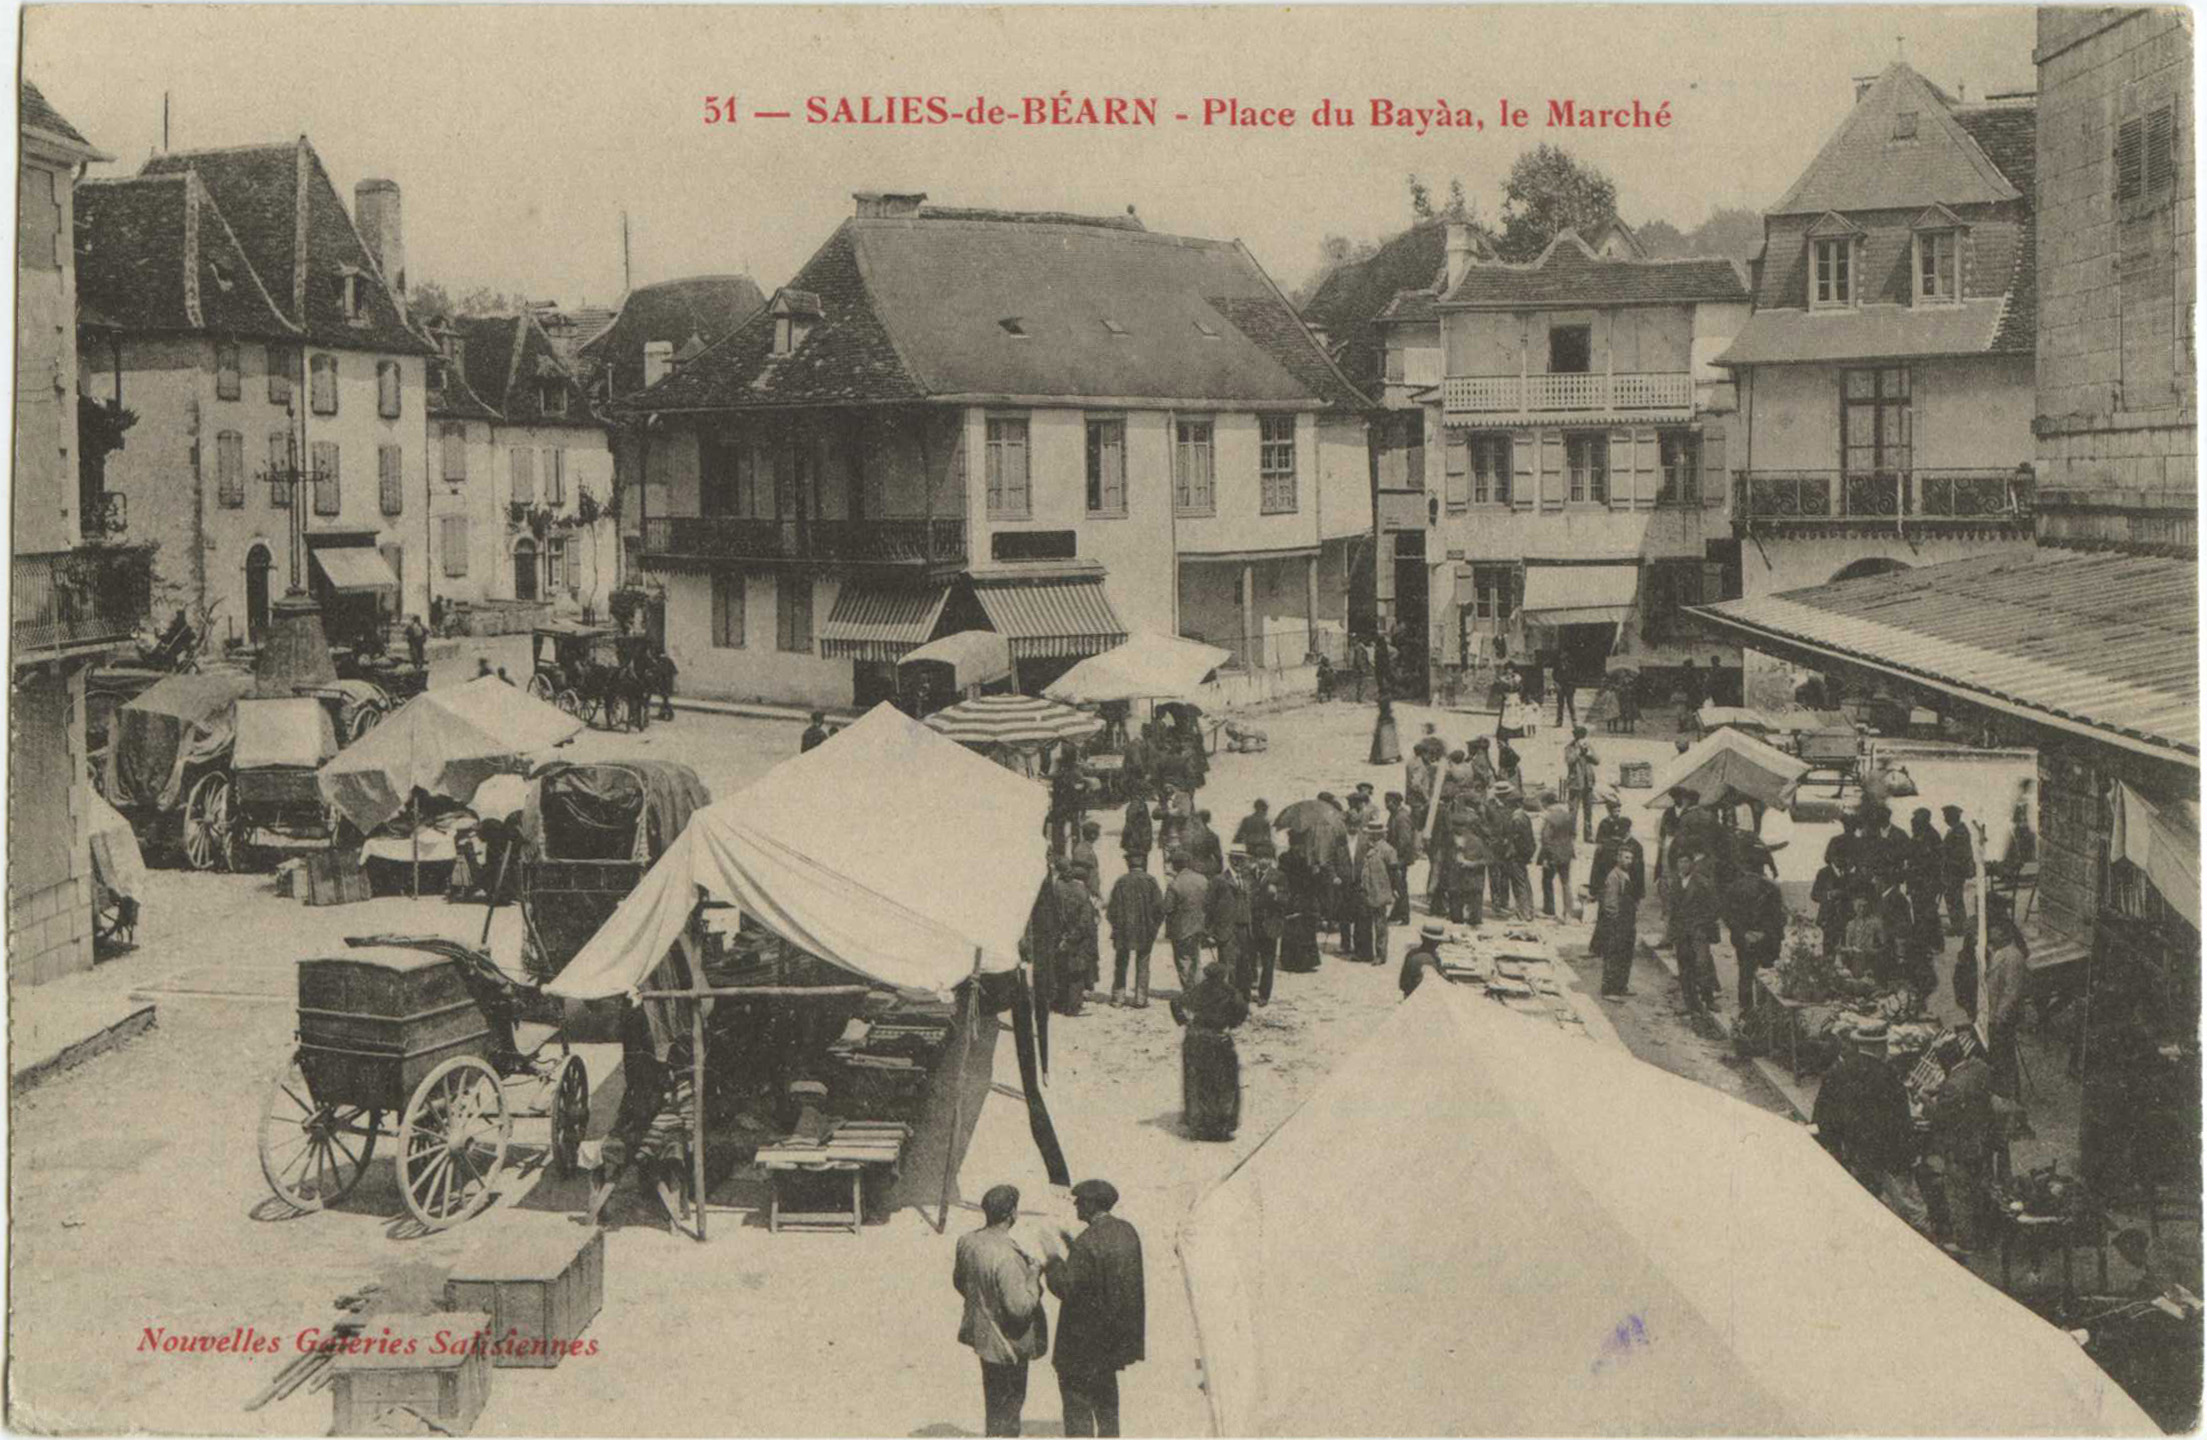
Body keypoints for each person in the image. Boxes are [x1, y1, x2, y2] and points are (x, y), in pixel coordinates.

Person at [1044, 1179, 1145, 1438]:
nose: (1076, 1205)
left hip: (1081, 1344)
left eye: (1079, 1201)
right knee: (1107, 1403)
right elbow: (1104, 1269)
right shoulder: (1127, 1231)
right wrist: (1073, 1245)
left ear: (1091, 1204)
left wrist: (1053, 1258)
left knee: (1077, 1404)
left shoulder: (1088, 1241)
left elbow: (1065, 1288)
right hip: (1113, 1341)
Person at [1812, 1024, 1932, 1236]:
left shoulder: (1838, 1071)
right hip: (1884, 1154)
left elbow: (1823, 1111)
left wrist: (1831, 1144)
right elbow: (1900, 1121)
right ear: (1880, 1047)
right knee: (1910, 1207)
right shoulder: (1888, 1076)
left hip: (1850, 1149)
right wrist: (1907, 1154)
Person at [955, 1183, 1048, 1438]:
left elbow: (960, 1282)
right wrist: (1032, 1276)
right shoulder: (1007, 1257)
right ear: (1012, 1214)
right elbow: (1020, 1308)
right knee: (1010, 1408)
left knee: (993, 1402)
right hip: (1010, 1343)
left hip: (984, 1336)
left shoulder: (967, 1241)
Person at [1926, 1049, 1997, 1253]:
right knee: (1980, 1189)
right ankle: (1985, 1237)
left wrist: (1925, 1101)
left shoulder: (1951, 1086)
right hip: (1983, 1140)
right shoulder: (1978, 1069)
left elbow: (1940, 1118)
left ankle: (1965, 1242)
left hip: (1960, 1147)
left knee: (1959, 1194)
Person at [1173, 958, 1249, 1142]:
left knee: (1197, 1082)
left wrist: (1184, 1020)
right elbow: (1242, 1011)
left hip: (1196, 1039)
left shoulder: (1197, 990)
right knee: (1223, 1083)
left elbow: (1176, 1003)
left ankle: (1198, 1123)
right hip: (1219, 1040)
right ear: (1223, 976)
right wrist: (1231, 1024)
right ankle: (1221, 1125)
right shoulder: (1230, 992)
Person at [1724, 865, 1787, 1015]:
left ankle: (1747, 1015)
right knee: (1769, 977)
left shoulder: (1733, 887)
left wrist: (1745, 933)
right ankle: (1767, 1014)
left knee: (1745, 976)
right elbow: (1778, 917)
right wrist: (1764, 933)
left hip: (1745, 939)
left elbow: (1728, 916)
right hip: (1768, 939)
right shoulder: (1772, 887)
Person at [1105, 860, 1165, 1008]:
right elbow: (1159, 908)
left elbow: (1111, 909)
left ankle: (1118, 998)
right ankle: (1140, 998)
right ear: (1143, 866)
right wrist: (1153, 927)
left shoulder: (1121, 881)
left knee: (1121, 963)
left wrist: (1116, 926)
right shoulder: (1151, 881)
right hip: (1144, 930)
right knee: (1143, 963)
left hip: (1123, 930)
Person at [1983, 914, 2028, 1100]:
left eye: (1993, 929)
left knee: (2005, 1057)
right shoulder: (1999, 952)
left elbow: (2012, 993)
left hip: (2003, 1018)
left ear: (2003, 932)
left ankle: (2011, 1097)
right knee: (1999, 1056)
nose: (1990, 933)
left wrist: (1999, 1017)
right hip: (1994, 1015)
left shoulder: (2013, 957)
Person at [1674, 850, 1723, 1014]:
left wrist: (1701, 924)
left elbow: (1715, 908)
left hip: (1698, 932)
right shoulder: (1675, 882)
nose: (1683, 865)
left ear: (1692, 863)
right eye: (1680, 862)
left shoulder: (1702, 883)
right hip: (1681, 932)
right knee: (1684, 967)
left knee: (1702, 964)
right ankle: (1690, 1004)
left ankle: (1709, 1000)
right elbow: (1672, 909)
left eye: (1686, 862)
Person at [1051, 859, 1099, 1016]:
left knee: (1061, 969)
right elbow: (1085, 919)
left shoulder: (1055, 889)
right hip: (1078, 937)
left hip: (1060, 935)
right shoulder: (1079, 890)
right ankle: (1073, 1006)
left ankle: (1059, 1003)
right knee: (1077, 972)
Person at [1595, 838, 1640, 999]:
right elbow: (1610, 902)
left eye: (1630, 858)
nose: (1628, 861)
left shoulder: (1626, 874)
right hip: (1617, 923)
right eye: (1625, 857)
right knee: (1613, 955)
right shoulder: (1614, 876)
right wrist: (1615, 923)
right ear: (1618, 858)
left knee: (1625, 955)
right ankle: (1609, 990)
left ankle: (1621, 987)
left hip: (1627, 923)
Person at [1207, 848, 1253, 995]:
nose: (1238, 862)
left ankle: (1241, 999)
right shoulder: (1219, 880)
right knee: (1227, 966)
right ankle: (1226, 1000)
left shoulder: (1248, 880)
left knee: (1244, 965)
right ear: (1230, 860)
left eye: (1242, 859)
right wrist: (1209, 931)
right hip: (1226, 930)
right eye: (1235, 859)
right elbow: (1209, 906)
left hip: (1245, 929)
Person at [1163, 849, 1210, 993]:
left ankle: (1190, 992)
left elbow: (1167, 908)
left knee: (1184, 961)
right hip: (1200, 925)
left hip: (1181, 928)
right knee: (1196, 959)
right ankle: (1200, 988)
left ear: (1176, 865)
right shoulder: (1202, 879)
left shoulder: (1175, 884)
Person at [1275, 837, 1323, 975]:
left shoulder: (1309, 857)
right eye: (1296, 844)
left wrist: (1315, 872)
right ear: (1292, 844)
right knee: (1292, 929)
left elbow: (1315, 882)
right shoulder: (1285, 858)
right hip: (1293, 896)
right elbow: (1284, 877)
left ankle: (1307, 961)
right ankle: (1290, 961)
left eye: (1300, 844)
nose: (1299, 847)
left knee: (1306, 930)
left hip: (1306, 896)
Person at [1354, 815, 1398, 964]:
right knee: (1363, 922)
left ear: (1380, 834)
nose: (1371, 836)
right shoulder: (1364, 848)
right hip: (1365, 888)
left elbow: (1393, 872)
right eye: (1370, 833)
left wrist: (1394, 889)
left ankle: (1380, 954)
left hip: (1380, 889)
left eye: (1374, 833)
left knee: (1380, 923)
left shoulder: (1387, 850)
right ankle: (1363, 952)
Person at [1246, 852, 1286, 1004]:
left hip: (1269, 925)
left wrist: (1276, 895)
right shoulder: (1248, 874)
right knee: (1249, 958)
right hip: (1251, 924)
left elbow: (1285, 898)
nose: (1263, 860)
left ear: (1271, 859)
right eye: (1260, 857)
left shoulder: (1279, 876)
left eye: (1266, 857)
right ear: (1256, 859)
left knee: (1268, 962)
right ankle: (1249, 988)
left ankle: (1264, 995)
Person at [1494, 786, 1536, 923]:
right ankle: (1529, 911)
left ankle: (1523, 914)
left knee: (1519, 884)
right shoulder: (1524, 816)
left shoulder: (1516, 818)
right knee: (1525, 882)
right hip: (1524, 854)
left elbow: (1513, 839)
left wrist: (1507, 852)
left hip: (1516, 855)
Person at [1537, 788, 1579, 921]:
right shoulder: (1568, 816)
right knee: (1566, 882)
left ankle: (1549, 910)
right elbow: (1573, 834)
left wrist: (1547, 856)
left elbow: (1546, 839)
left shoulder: (1548, 818)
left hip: (1552, 855)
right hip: (1566, 853)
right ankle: (1568, 912)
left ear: (1545, 803)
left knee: (1547, 881)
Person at [1940, 804, 1975, 936]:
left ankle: (1959, 927)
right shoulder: (1956, 830)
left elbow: (1959, 854)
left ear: (1952, 817)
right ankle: (1958, 926)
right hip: (1953, 870)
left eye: (1946, 816)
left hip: (1955, 870)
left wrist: (1944, 855)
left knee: (1954, 898)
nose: (1944, 819)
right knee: (1953, 898)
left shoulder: (1959, 831)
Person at [1384, 792, 1417, 925]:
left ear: (1396, 802)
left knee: (1400, 886)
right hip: (1396, 857)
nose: (1386, 804)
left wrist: (1396, 858)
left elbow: (1404, 841)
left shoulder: (1401, 817)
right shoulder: (1395, 815)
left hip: (1399, 858)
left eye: (1388, 801)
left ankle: (1404, 917)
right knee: (1397, 885)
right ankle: (1397, 914)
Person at [1562, 727, 1599, 844]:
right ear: (1576, 738)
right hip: (1575, 784)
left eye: (1584, 737)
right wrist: (1578, 751)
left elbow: (1597, 761)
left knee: (1588, 811)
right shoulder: (1569, 748)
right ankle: (1571, 835)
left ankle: (1588, 835)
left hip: (1588, 783)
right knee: (1573, 811)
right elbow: (1569, 761)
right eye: (1580, 738)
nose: (1583, 740)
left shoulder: (1588, 747)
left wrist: (1588, 753)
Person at [1399, 922, 1446, 998]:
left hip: (1408, 996)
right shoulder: (1432, 960)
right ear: (1438, 942)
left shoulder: (1411, 953)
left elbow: (1402, 984)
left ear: (1422, 937)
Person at [1120, 792, 1153, 876]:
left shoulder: (1136, 804)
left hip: (1136, 841)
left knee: (1135, 866)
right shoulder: (1139, 804)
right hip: (1139, 841)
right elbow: (1130, 824)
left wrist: (1124, 841)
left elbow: (1129, 824)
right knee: (1139, 865)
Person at [1187, 808, 1225, 879]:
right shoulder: (1213, 836)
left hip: (1193, 867)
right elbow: (1219, 857)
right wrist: (1219, 870)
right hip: (1207, 867)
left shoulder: (1192, 835)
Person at [1071, 821, 1104, 902]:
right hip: (1086, 892)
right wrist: (1093, 890)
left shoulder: (1085, 848)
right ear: (1093, 835)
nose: (1099, 835)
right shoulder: (1083, 850)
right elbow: (1081, 872)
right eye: (1097, 833)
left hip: (1088, 890)